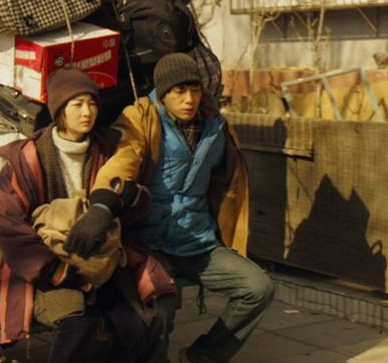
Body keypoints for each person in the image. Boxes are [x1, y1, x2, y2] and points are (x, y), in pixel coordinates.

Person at [65, 53, 275, 363]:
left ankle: (202, 356)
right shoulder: (142, 118)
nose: (189, 99)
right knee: (161, 308)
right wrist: (101, 208)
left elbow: (228, 183)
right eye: (179, 91)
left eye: (194, 89)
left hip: (198, 242)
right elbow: (122, 162)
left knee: (259, 288)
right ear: (163, 93)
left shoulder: (216, 128)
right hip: (151, 243)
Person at [0, 66, 150, 363]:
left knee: (135, 331)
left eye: (92, 103)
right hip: (48, 266)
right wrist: (55, 270)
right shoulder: (28, 159)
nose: (87, 112)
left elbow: (136, 210)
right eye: (76, 105)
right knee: (78, 326)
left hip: (101, 263)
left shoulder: (108, 149)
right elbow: (7, 224)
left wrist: (133, 197)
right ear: (59, 111)